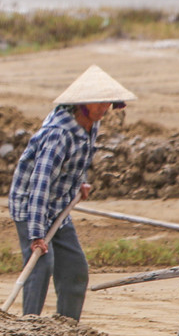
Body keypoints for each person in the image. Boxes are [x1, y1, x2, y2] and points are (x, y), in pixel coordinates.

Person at [8, 65, 135, 320]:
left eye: (107, 102)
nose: (104, 108)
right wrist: (36, 234)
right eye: (98, 102)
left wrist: (80, 183)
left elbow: (75, 162)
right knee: (41, 267)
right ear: (81, 103)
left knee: (75, 269)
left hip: (59, 205)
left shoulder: (90, 124)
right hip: (32, 205)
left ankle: (67, 333)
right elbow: (40, 184)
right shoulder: (59, 133)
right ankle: (28, 329)